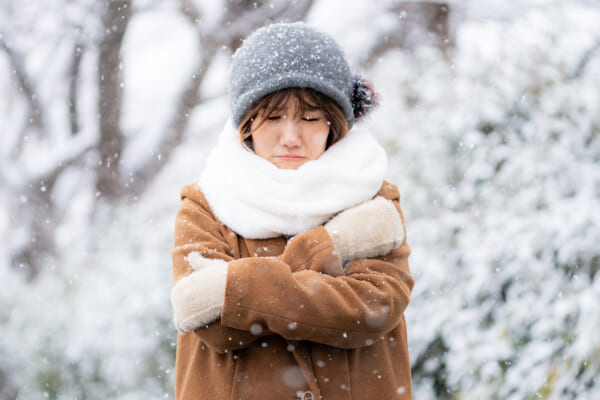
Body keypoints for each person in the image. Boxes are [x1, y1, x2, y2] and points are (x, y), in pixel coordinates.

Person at [170, 22, 414, 400]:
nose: (290, 136)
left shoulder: (372, 196)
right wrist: (327, 248)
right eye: (273, 116)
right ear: (246, 123)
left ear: (335, 123)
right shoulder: (206, 203)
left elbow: (372, 308)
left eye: (310, 117)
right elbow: (209, 321)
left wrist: (238, 288)